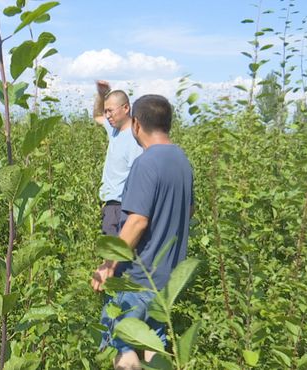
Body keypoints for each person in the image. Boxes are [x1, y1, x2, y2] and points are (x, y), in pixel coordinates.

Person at [90, 95, 194, 370]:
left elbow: (137, 222)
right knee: (153, 343)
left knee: (121, 341)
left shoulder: (146, 163)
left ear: (136, 124)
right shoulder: (182, 161)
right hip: (167, 279)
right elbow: (188, 211)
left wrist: (109, 265)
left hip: (138, 276)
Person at [93, 80, 143, 236]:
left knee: (115, 257)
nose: (107, 115)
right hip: (111, 206)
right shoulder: (114, 129)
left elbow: (139, 178)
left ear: (126, 108)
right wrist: (101, 95)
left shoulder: (135, 138)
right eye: (106, 111)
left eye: (110, 111)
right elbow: (96, 116)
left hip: (122, 208)